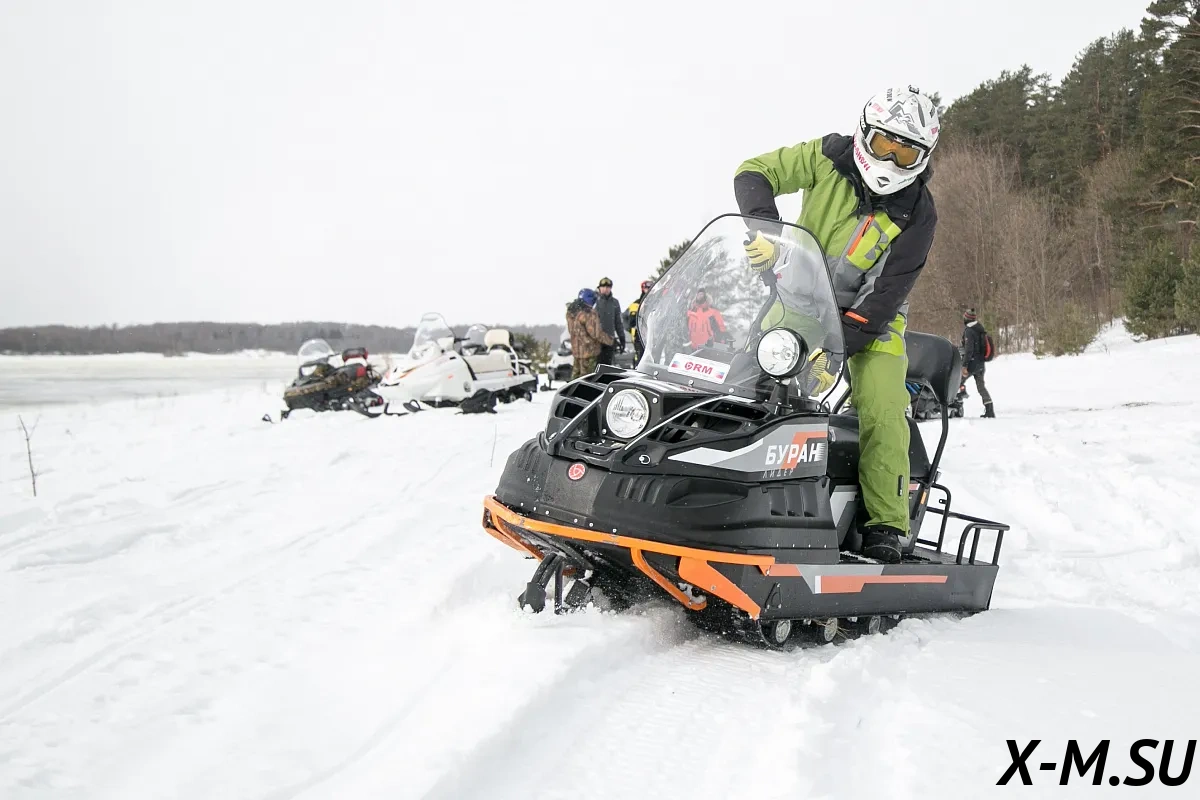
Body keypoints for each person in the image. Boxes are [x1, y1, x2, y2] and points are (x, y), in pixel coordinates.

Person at [734, 86, 940, 564]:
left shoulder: (919, 213)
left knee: (885, 410)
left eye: (905, 149)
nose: (891, 157)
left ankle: (886, 524)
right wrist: (769, 232)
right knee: (745, 382)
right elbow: (754, 172)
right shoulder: (830, 154)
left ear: (922, 154)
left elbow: (887, 295)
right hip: (800, 302)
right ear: (864, 134)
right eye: (884, 143)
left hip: (872, 325)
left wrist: (832, 348)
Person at [566, 288, 614, 379]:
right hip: (589, 351)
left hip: (577, 351)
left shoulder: (571, 312)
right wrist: (610, 341)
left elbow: (572, 330)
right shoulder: (589, 313)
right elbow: (596, 333)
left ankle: (573, 393)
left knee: (575, 377)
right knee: (587, 378)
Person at [961, 308, 995, 417]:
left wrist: (964, 365)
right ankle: (989, 410)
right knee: (981, 387)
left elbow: (969, 350)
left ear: (967, 318)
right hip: (980, 363)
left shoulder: (969, 331)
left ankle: (956, 400)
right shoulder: (980, 329)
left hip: (972, 363)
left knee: (957, 382)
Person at [593, 277, 625, 365]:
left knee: (606, 366)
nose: (605, 289)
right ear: (599, 288)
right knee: (595, 367)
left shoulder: (614, 303)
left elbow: (618, 322)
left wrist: (622, 339)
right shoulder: (594, 301)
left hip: (609, 340)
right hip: (596, 341)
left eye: (608, 287)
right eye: (603, 287)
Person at [625, 279, 654, 361]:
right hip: (639, 335)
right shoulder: (636, 304)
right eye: (647, 288)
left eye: (650, 288)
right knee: (640, 358)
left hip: (652, 336)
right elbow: (631, 321)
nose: (648, 290)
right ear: (643, 289)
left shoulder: (655, 302)